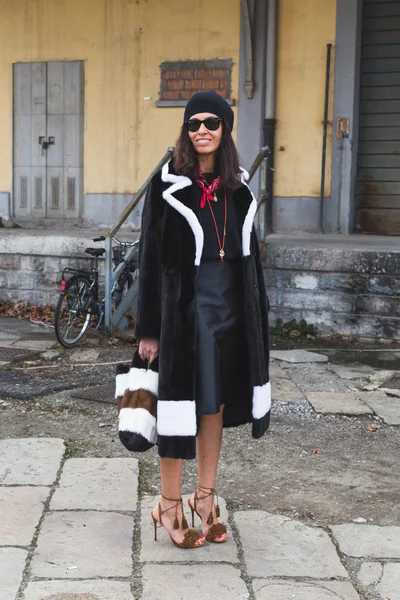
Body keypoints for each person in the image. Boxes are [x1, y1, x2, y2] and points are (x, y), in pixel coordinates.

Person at [135, 91, 271, 549]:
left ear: (225, 129)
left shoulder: (241, 189)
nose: (202, 130)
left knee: (214, 407)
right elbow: (149, 261)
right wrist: (149, 330)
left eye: (212, 122)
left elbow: (250, 263)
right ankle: (169, 504)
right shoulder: (166, 185)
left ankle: (205, 496)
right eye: (194, 123)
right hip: (183, 317)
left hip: (230, 317)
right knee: (177, 411)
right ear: (186, 132)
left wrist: (257, 321)